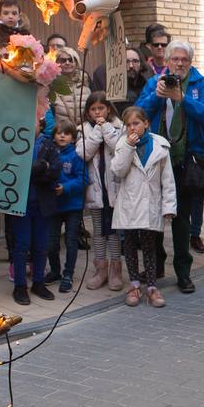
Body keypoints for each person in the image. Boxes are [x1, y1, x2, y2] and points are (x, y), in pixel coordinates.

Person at [136, 40, 204, 293]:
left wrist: (182, 99)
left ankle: (183, 272)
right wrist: (155, 97)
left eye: (184, 59)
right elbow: (137, 114)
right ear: (167, 61)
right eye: (175, 59)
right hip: (157, 159)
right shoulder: (155, 82)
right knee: (154, 215)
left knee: (181, 218)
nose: (179, 64)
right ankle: (157, 265)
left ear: (190, 62)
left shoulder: (199, 83)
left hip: (185, 160)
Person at [113, 105, 177, 308]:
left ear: (146, 123)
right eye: (128, 125)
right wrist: (128, 148)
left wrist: (169, 206)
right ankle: (133, 285)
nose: (132, 128)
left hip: (150, 202)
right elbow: (118, 170)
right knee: (130, 245)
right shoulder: (122, 144)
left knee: (150, 245)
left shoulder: (160, 146)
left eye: (136, 123)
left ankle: (151, 286)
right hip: (130, 203)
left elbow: (168, 180)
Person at [10, 117, 63, 306]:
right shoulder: (13, 143)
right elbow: (12, 171)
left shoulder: (49, 145)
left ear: (40, 125)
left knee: (41, 246)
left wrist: (37, 172)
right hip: (20, 205)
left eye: (32, 121)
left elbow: (55, 171)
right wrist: (38, 169)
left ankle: (38, 282)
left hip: (43, 204)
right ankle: (20, 285)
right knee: (21, 246)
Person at [79, 92, 124, 291]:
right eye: (93, 109)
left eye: (101, 108)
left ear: (108, 109)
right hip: (95, 189)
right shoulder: (84, 129)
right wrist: (97, 131)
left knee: (113, 231)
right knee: (98, 231)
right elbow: (84, 152)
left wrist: (105, 127)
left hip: (113, 187)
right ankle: (101, 269)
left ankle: (115, 270)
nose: (98, 112)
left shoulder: (118, 126)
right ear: (88, 112)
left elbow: (118, 148)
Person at [46, 119, 87, 292]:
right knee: (51, 242)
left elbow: (83, 179)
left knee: (71, 241)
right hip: (54, 206)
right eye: (59, 132)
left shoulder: (77, 156)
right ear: (54, 136)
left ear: (73, 138)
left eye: (67, 133)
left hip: (73, 206)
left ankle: (68, 274)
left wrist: (66, 188)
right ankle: (55, 271)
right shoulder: (48, 154)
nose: (62, 135)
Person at [50, 46, 92, 129]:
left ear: (76, 63)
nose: (67, 63)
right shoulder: (50, 83)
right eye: (63, 60)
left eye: (71, 60)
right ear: (56, 63)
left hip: (84, 134)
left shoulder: (86, 82)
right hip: (61, 133)